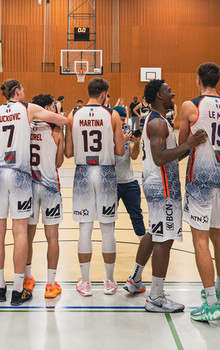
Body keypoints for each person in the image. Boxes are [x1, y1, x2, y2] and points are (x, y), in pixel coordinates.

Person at [0, 79, 66, 306]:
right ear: (18, 91)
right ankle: (18, 290)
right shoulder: (28, 108)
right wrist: (53, 113)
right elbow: (62, 120)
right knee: (20, 233)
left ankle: (0, 288)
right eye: (24, 91)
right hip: (20, 174)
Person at [125, 80, 205, 313]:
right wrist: (188, 143)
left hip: (157, 182)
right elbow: (161, 157)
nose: (173, 93)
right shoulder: (158, 122)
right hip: (163, 187)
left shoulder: (158, 120)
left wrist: (189, 147)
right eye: (169, 91)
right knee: (165, 239)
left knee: (154, 233)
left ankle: (135, 279)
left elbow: (167, 155)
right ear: (159, 95)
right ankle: (156, 297)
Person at [177, 62, 220, 324]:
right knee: (218, 234)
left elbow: (182, 145)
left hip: (200, 179)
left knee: (200, 240)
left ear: (198, 80)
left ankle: (211, 304)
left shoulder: (191, 106)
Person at [66, 77, 125, 297]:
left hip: (82, 172)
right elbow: (120, 150)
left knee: (85, 227)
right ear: (104, 94)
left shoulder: (74, 114)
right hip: (106, 172)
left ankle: (86, 282)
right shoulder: (112, 115)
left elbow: (68, 153)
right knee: (107, 228)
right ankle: (109, 282)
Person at [26, 94, 66, 299]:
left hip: (29, 186)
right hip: (50, 186)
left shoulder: (25, 127)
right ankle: (50, 285)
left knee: (27, 236)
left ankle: (27, 278)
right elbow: (59, 163)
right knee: (52, 236)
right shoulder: (56, 130)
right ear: (48, 107)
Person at [116, 126, 145, 240]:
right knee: (109, 217)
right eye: (120, 120)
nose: (122, 122)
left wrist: (137, 143)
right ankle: (109, 245)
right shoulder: (108, 134)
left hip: (129, 182)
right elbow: (106, 153)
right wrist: (122, 141)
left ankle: (143, 243)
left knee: (137, 215)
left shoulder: (126, 135)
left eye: (123, 120)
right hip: (112, 182)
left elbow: (134, 156)